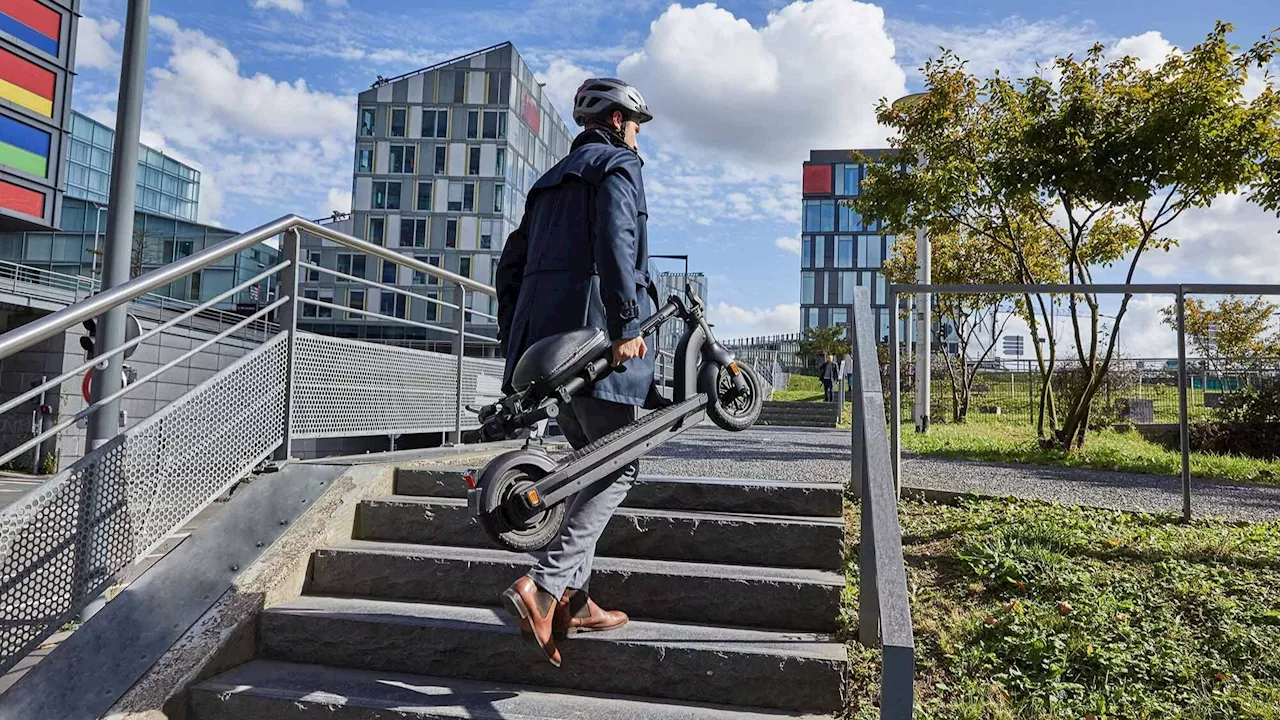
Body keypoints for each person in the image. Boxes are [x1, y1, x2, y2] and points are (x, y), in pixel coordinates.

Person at [494, 77, 656, 668]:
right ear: (617, 122)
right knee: (620, 463)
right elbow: (617, 243)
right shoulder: (615, 167)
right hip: (594, 339)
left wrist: (517, 342)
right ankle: (544, 585)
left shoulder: (544, 184)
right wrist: (627, 325)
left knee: (593, 459)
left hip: (547, 348)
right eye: (636, 126)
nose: (639, 139)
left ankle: (577, 601)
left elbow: (509, 269)